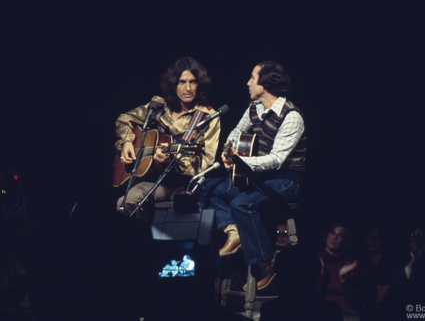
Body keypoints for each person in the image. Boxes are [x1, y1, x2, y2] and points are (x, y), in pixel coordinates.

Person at [199, 60, 306, 290]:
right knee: (204, 186)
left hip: (285, 181)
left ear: (266, 83)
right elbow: (237, 132)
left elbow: (276, 159)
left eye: (252, 78)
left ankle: (266, 264)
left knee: (242, 203)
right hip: (258, 180)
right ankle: (233, 230)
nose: (248, 82)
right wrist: (229, 150)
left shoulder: (292, 116)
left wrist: (241, 161)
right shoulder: (254, 107)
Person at [114, 57, 220, 218]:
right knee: (125, 204)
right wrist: (127, 141)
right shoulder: (158, 106)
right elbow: (124, 119)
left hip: (184, 185)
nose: (188, 88)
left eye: (193, 82)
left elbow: (207, 161)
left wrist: (175, 161)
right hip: (152, 180)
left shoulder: (208, 116)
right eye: (182, 82)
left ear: (200, 85)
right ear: (173, 84)